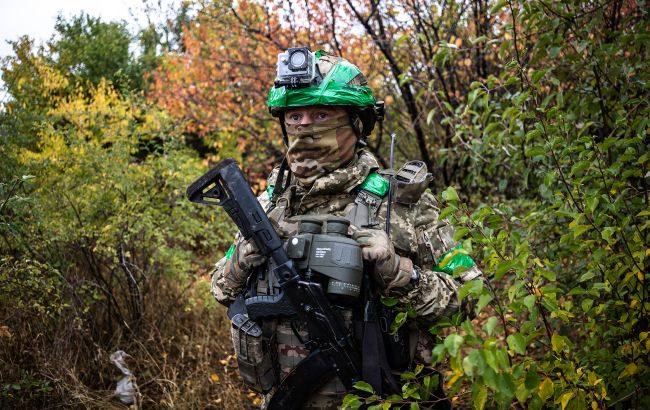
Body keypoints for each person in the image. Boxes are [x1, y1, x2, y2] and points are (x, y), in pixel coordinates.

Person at [210, 48, 482, 409]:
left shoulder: (404, 203)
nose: (304, 125)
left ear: (356, 121)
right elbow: (220, 287)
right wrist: (242, 259)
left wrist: (401, 273)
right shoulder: (269, 203)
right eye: (294, 115)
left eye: (321, 113)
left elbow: (472, 296)